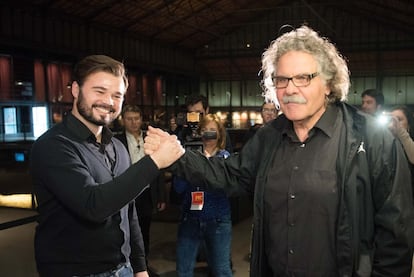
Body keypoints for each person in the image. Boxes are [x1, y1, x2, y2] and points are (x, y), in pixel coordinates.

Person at [145, 26, 414, 276]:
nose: (289, 89)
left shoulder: (371, 138)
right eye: (282, 79)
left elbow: (397, 233)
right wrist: (178, 157)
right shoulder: (270, 136)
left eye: (303, 78)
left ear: (329, 83)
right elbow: (230, 174)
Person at [30, 55, 184, 277]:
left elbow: (128, 212)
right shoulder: (53, 146)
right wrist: (155, 162)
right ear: (75, 89)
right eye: (99, 91)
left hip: (123, 269)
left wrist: (139, 267)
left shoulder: (117, 147)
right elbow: (93, 205)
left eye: (117, 95)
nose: (109, 102)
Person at [173, 113, 232, 277]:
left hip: (218, 220)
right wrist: (187, 166)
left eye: (212, 130)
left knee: (221, 269)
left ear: (219, 133)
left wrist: (201, 171)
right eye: (204, 130)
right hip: (190, 219)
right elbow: (178, 187)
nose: (208, 134)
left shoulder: (225, 158)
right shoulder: (188, 156)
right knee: (183, 270)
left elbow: (225, 188)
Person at [115, 105, 167, 265]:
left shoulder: (149, 139)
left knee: (144, 228)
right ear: (123, 121)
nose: (133, 122)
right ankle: (127, 262)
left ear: (141, 120)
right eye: (129, 119)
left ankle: (143, 262)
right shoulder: (117, 141)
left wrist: (161, 196)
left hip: (146, 192)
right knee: (124, 228)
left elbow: (160, 170)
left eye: (136, 118)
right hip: (126, 191)